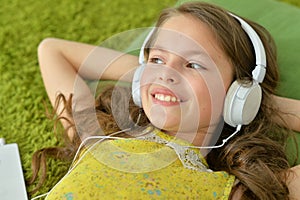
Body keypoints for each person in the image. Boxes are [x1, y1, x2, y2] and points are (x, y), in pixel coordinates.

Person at [29, 1, 300, 199]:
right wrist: (146, 75)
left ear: (236, 95)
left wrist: (257, 104)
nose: (167, 73)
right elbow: (52, 50)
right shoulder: (100, 135)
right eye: (158, 58)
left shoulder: (238, 192)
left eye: (194, 65)